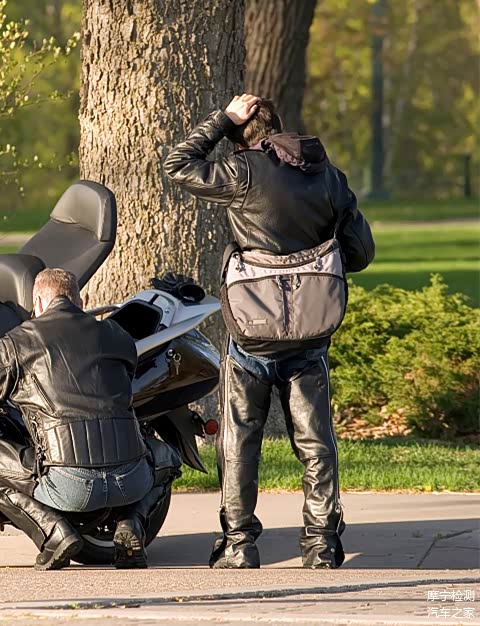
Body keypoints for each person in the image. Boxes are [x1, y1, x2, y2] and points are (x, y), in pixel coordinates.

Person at [163, 94, 375, 569]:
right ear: (279, 130)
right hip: (309, 331)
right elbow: (360, 253)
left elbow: (177, 164)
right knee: (316, 441)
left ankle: (239, 544)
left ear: (240, 141)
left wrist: (221, 120)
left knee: (240, 439)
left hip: (252, 331)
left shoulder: (241, 171)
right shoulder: (327, 175)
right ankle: (321, 543)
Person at [0, 268, 155, 571]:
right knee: (167, 456)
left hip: (68, 484)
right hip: (131, 481)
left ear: (37, 302)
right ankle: (131, 523)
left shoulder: (19, 341)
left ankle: (54, 533)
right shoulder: (117, 336)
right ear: (80, 302)